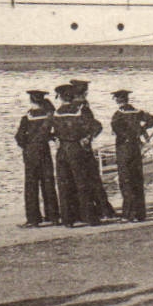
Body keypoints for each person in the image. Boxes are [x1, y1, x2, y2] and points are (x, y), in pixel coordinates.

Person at [51, 84, 101, 226]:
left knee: (64, 185)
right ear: (72, 96)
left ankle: (68, 220)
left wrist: (55, 139)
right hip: (77, 149)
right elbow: (97, 126)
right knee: (82, 183)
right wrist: (88, 138)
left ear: (60, 97)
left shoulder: (56, 113)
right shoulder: (80, 111)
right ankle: (90, 217)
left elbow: (47, 131)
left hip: (62, 151)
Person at [110, 88, 153, 221]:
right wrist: (142, 129)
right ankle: (140, 214)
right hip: (136, 148)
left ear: (117, 100)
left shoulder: (118, 115)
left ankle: (128, 214)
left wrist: (126, 135)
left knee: (125, 181)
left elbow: (117, 131)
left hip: (123, 149)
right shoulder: (137, 112)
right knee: (137, 179)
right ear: (127, 99)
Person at [71, 79, 116, 221]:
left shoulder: (79, 108)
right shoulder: (83, 107)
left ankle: (91, 211)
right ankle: (102, 209)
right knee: (92, 179)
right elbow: (96, 126)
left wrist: (87, 137)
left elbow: (95, 126)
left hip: (78, 148)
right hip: (84, 147)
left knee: (84, 179)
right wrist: (89, 138)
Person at [15, 89, 60, 227]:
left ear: (31, 101)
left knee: (31, 186)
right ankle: (53, 216)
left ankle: (33, 219)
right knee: (48, 183)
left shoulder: (27, 117)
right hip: (44, 151)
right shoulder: (49, 117)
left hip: (31, 153)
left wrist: (27, 146)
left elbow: (19, 137)